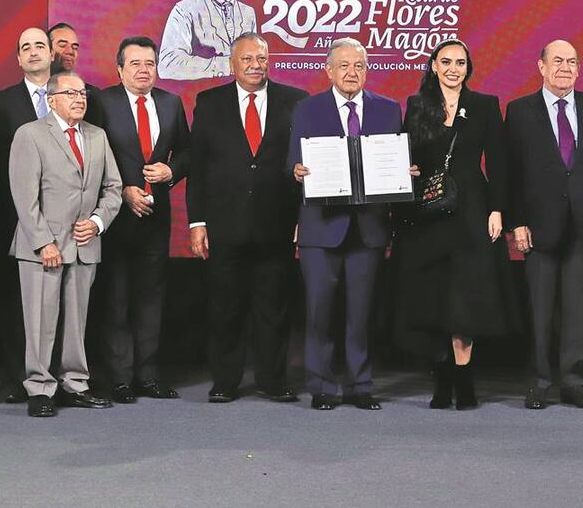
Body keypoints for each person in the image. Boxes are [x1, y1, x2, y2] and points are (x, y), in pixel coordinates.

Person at [394, 39, 517, 410]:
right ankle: (441, 378)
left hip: (471, 211)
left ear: (468, 68)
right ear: (433, 65)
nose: (453, 68)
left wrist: (497, 210)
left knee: (465, 297)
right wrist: (407, 170)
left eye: (460, 63)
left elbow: (498, 163)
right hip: (427, 213)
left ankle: (464, 379)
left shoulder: (484, 106)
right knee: (433, 296)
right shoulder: (417, 106)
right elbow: (406, 156)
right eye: (445, 61)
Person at [288, 37, 409, 411]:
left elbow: (395, 162)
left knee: (361, 313)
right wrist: (297, 170)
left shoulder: (388, 109)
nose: (351, 73)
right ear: (328, 71)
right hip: (321, 228)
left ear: (367, 70)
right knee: (319, 312)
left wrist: (406, 174)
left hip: (368, 230)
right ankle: (322, 386)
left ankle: (360, 385)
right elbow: (292, 160)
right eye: (343, 66)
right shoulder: (307, 108)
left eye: (358, 65)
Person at [187, 33, 308, 403]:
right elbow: (198, 168)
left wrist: (303, 217)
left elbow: (304, 163)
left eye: (261, 58)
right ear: (232, 63)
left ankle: (273, 379)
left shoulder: (295, 100)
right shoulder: (209, 103)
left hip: (277, 224)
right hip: (225, 225)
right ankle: (226, 380)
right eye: (247, 59)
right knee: (226, 308)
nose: (256, 65)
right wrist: (197, 223)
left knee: (273, 308)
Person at [505, 39, 583, 409]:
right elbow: (513, 173)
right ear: (541, 66)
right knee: (539, 308)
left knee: (576, 309)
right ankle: (538, 382)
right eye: (557, 61)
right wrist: (516, 222)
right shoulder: (520, 110)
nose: (564, 68)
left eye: (571, 61)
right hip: (538, 227)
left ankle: (573, 380)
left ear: (579, 69)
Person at [10, 72, 122, 416]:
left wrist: (98, 222)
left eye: (83, 93)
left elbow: (113, 188)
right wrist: (44, 242)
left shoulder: (97, 136)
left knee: (77, 321)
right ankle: (40, 389)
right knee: (41, 321)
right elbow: (24, 197)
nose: (79, 99)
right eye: (70, 93)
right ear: (51, 98)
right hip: (42, 246)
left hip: (85, 244)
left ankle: (75, 383)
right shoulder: (30, 135)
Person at [99, 36, 189, 403]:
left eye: (149, 63)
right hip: (115, 216)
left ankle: (147, 376)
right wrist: (122, 190)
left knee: (151, 299)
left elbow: (186, 150)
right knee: (116, 300)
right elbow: (92, 152)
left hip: (156, 217)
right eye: (134, 63)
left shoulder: (170, 103)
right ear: (119, 68)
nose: (143, 70)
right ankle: (120, 379)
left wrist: (171, 170)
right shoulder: (102, 102)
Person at [0, 27, 54, 403]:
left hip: (66, 216)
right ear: (18, 58)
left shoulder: (74, 94)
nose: (32, 52)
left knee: (62, 298)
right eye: (25, 47)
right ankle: (19, 378)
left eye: (39, 45)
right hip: (17, 214)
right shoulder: (4, 101)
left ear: (51, 53)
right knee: (18, 299)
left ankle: (58, 374)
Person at [48, 22, 104, 126]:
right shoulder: (35, 92)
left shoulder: (92, 97)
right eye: (62, 45)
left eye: (75, 47)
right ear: (48, 50)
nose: (70, 51)